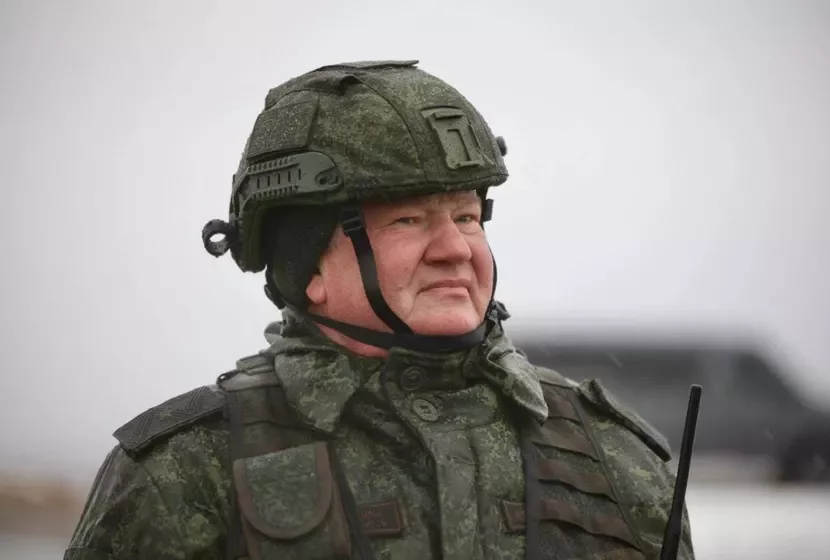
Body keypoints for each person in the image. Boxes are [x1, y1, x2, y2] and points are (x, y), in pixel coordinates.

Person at [64, 60, 695, 560]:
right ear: (308, 266)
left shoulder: (615, 456)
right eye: (408, 220)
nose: (455, 250)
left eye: (467, 217)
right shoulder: (186, 472)